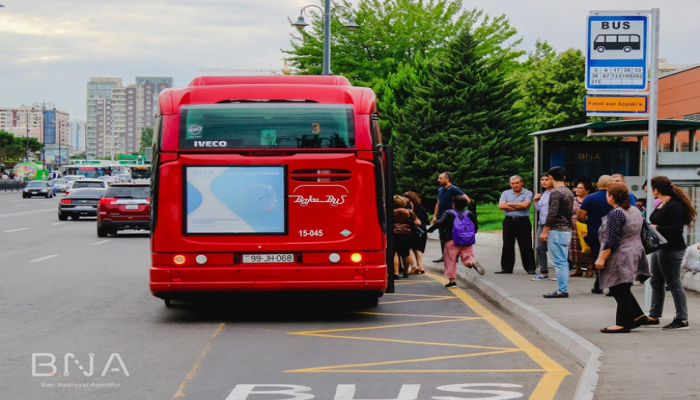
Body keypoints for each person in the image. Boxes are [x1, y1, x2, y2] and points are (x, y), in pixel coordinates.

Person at [594, 182, 651, 333]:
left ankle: (623, 323)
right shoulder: (635, 210)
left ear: (611, 197)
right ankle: (638, 315)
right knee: (623, 286)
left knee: (619, 287)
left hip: (621, 254)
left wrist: (601, 258)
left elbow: (612, 240)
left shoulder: (616, 213)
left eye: (607, 194)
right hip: (635, 250)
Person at [644, 176, 697, 330]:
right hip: (659, 247)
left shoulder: (675, 206)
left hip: (672, 248)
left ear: (656, 189)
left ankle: (682, 319)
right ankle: (654, 315)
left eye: (650, 187)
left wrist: (657, 227)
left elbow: (676, 229)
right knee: (656, 281)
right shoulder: (662, 203)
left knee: (674, 283)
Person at [427, 196, 484, 287]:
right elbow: (475, 226)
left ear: (454, 204)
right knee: (468, 256)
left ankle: (452, 281)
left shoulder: (449, 213)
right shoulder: (469, 213)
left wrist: (430, 230)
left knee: (450, 260)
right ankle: (472, 263)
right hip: (467, 239)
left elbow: (439, 222)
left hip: (452, 239)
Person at [539, 167, 574, 298]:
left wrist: (544, 231)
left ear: (551, 177)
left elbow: (552, 213)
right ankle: (562, 288)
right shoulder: (569, 192)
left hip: (556, 231)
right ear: (564, 177)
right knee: (563, 261)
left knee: (559, 262)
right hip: (566, 230)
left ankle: (562, 290)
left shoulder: (556, 193)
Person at [578, 175, 614, 294]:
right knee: (612, 259)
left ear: (598, 185)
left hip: (594, 231)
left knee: (598, 258)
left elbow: (581, 216)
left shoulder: (590, 198)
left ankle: (599, 285)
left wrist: (590, 222)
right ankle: (612, 287)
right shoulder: (614, 197)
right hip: (612, 231)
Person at [497, 175, 536, 274]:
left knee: (526, 245)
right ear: (510, 184)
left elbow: (526, 205)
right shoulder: (505, 193)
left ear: (522, 183)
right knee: (507, 244)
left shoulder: (528, 193)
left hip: (523, 221)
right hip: (509, 221)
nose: (515, 185)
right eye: (513, 183)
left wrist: (508, 204)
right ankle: (506, 268)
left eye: (517, 183)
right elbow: (501, 206)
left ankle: (530, 268)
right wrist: (519, 205)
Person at [431, 172, 470, 262]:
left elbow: (467, 199)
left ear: (447, 179)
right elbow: (438, 203)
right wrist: (435, 216)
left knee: (451, 236)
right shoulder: (440, 190)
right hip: (441, 217)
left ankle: (454, 256)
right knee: (442, 236)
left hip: (451, 217)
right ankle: (444, 256)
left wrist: (458, 209)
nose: (438, 180)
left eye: (441, 178)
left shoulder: (454, 189)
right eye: (438, 178)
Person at [570, 178, 595, 277]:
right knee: (574, 249)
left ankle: (589, 269)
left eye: (581, 188)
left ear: (587, 190)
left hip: (587, 228)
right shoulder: (572, 200)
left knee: (587, 248)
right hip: (574, 229)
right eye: (577, 188)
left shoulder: (590, 200)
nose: (578, 190)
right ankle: (577, 269)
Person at [393, 195, 422, 279]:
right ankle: (406, 272)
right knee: (406, 253)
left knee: (395, 253)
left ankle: (396, 273)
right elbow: (418, 223)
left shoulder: (391, 212)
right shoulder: (409, 212)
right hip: (407, 234)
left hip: (394, 233)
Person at [531, 173, 554, 280]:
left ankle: (561, 273)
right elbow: (541, 210)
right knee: (539, 247)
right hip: (542, 222)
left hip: (553, 223)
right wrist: (536, 201)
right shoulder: (544, 193)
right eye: (542, 179)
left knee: (555, 249)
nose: (544, 181)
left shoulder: (555, 193)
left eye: (546, 179)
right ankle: (544, 272)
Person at [404, 191, 428, 274]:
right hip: (422, 230)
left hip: (413, 229)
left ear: (408, 198)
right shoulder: (421, 207)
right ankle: (421, 267)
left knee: (410, 248)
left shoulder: (408, 206)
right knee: (418, 249)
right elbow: (426, 219)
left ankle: (414, 266)